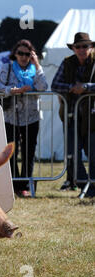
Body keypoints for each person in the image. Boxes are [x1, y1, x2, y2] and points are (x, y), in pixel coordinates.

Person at [0, 39, 48, 198]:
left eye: (27, 54)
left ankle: (24, 185)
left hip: (31, 117)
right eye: (20, 53)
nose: (23, 57)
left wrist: (37, 65)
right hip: (11, 116)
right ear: (15, 54)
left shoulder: (35, 69)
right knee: (11, 152)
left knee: (28, 152)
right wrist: (13, 90)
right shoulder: (7, 67)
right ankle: (14, 184)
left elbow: (43, 87)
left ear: (31, 55)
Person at [51, 32, 95, 197]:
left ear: (91, 47)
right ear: (74, 49)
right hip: (71, 115)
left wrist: (86, 87)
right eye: (78, 46)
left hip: (93, 117)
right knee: (72, 154)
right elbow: (55, 85)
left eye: (85, 46)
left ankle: (92, 187)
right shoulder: (67, 63)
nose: (82, 49)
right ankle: (85, 186)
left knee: (93, 154)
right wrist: (72, 87)